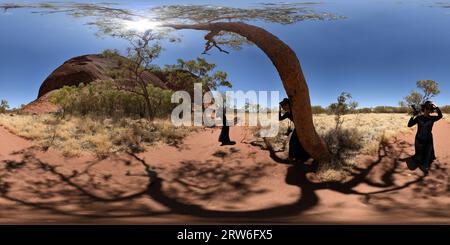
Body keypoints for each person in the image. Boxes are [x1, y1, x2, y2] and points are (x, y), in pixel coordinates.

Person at [407, 101, 442, 175]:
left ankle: (425, 166)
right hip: (419, 139)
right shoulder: (419, 118)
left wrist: (436, 107)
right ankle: (418, 159)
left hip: (428, 139)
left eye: (430, 109)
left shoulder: (432, 118)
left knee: (427, 153)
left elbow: (440, 116)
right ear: (424, 109)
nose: (428, 110)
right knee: (418, 155)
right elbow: (409, 125)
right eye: (427, 108)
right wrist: (413, 115)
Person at [279, 98, 310, 162]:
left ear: (287, 105)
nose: (282, 108)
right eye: (282, 106)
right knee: (294, 142)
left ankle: (294, 157)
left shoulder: (295, 111)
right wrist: (279, 111)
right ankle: (295, 157)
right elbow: (280, 118)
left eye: (283, 105)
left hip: (303, 128)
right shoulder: (287, 113)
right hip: (297, 128)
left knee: (294, 142)